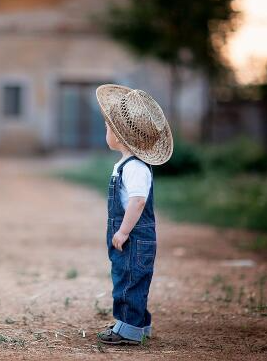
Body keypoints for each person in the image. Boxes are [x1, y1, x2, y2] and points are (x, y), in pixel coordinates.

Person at [95, 84, 174, 345]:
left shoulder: (135, 168)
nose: (105, 131)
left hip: (135, 235)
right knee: (128, 277)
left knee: (130, 279)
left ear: (119, 135)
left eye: (108, 128)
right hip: (130, 234)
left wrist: (124, 231)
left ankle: (128, 329)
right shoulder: (126, 164)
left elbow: (138, 202)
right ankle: (138, 324)